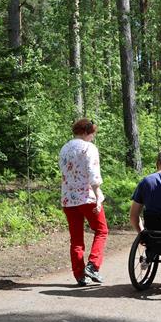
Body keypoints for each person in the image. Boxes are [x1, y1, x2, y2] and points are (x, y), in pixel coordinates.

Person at [59, 118, 108, 286]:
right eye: (93, 133)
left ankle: (80, 275)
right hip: (87, 197)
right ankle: (93, 265)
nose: (93, 137)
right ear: (86, 132)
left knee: (76, 239)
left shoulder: (65, 148)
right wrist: (98, 194)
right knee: (101, 230)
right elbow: (93, 173)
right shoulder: (89, 148)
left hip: (68, 199)